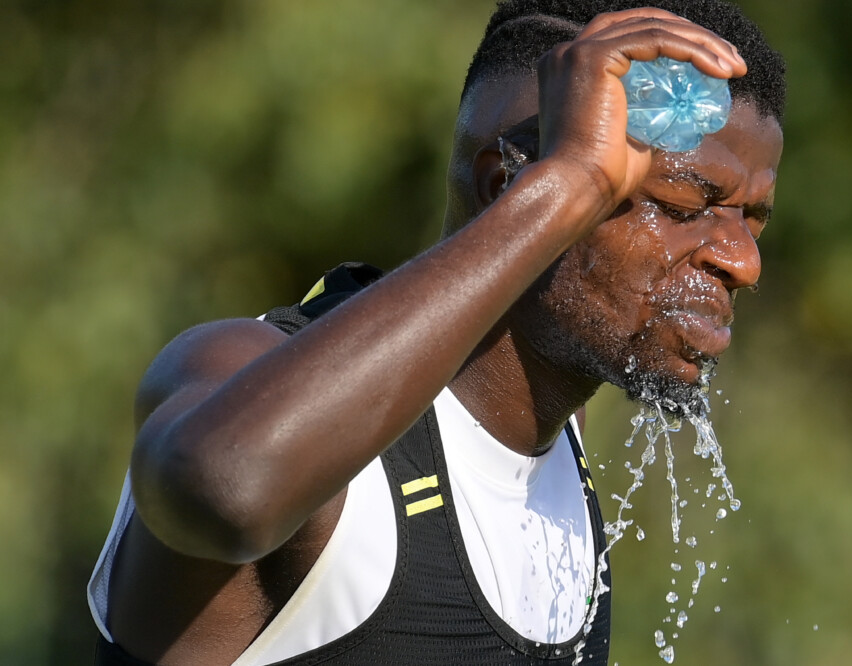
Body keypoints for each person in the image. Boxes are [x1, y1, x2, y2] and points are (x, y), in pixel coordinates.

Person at [87, 0, 786, 664]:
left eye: (752, 217)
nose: (742, 262)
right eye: (683, 204)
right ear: (510, 187)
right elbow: (224, 487)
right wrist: (570, 180)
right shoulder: (251, 377)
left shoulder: (557, 450)